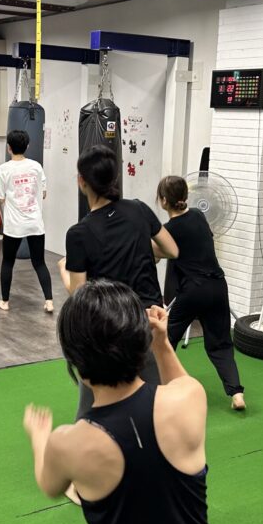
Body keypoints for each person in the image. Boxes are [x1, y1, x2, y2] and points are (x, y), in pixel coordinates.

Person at [24, 280, 241, 524]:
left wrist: (39, 438)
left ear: (76, 362)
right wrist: (162, 342)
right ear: (139, 345)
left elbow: (49, 485)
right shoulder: (189, 400)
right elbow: (178, 383)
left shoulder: (69, 442)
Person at [60, 144, 178, 418]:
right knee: (154, 407)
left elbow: (79, 295)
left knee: (94, 412)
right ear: (115, 178)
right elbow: (172, 250)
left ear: (81, 181)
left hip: (108, 329)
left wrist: (64, 269)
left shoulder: (79, 233)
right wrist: (140, 248)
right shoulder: (139, 209)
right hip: (148, 322)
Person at [155, 176, 245, 411]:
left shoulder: (168, 230)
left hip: (194, 290)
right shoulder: (198, 215)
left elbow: (155, 254)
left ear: (163, 200)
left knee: (165, 340)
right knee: (220, 344)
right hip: (218, 286)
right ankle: (236, 393)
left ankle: (156, 388)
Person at [0, 128, 53, 313]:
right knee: (39, 263)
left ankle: (5, 302)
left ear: (8, 148)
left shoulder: (2, 170)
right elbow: (43, 193)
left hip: (14, 226)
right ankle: (49, 301)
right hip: (35, 223)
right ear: (27, 146)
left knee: (8, 262)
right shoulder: (36, 167)